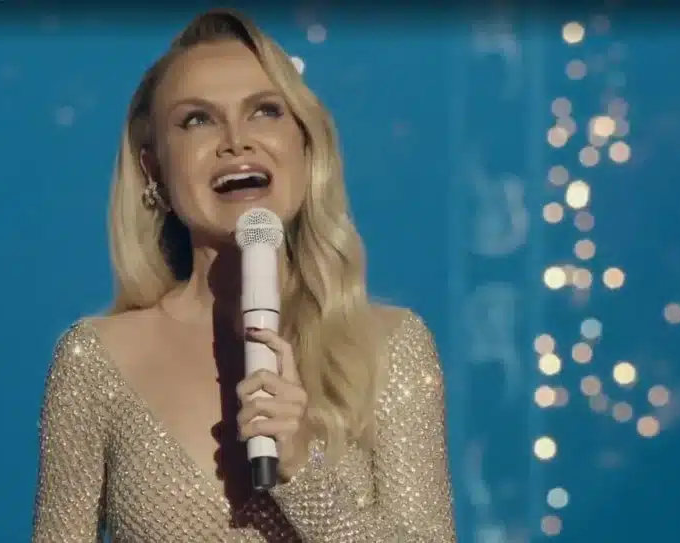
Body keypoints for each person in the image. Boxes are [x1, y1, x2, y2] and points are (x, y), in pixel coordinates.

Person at [32, 9, 455, 542]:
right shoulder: (95, 361)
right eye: (197, 120)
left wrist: (303, 472)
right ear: (154, 170)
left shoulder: (389, 349)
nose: (237, 140)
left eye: (265, 111)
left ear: (306, 147)